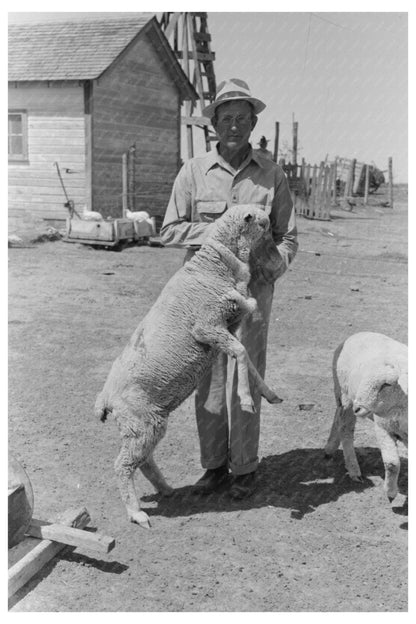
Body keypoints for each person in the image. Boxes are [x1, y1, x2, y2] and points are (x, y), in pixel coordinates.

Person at [160, 78, 298, 499]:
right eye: (226, 118)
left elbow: (288, 238)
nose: (234, 126)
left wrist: (271, 270)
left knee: (246, 376)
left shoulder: (272, 175)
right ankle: (214, 467)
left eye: (242, 118)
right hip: (205, 295)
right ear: (214, 124)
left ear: (254, 122)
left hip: (253, 296)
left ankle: (245, 469)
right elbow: (169, 230)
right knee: (209, 378)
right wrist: (221, 231)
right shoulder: (193, 172)